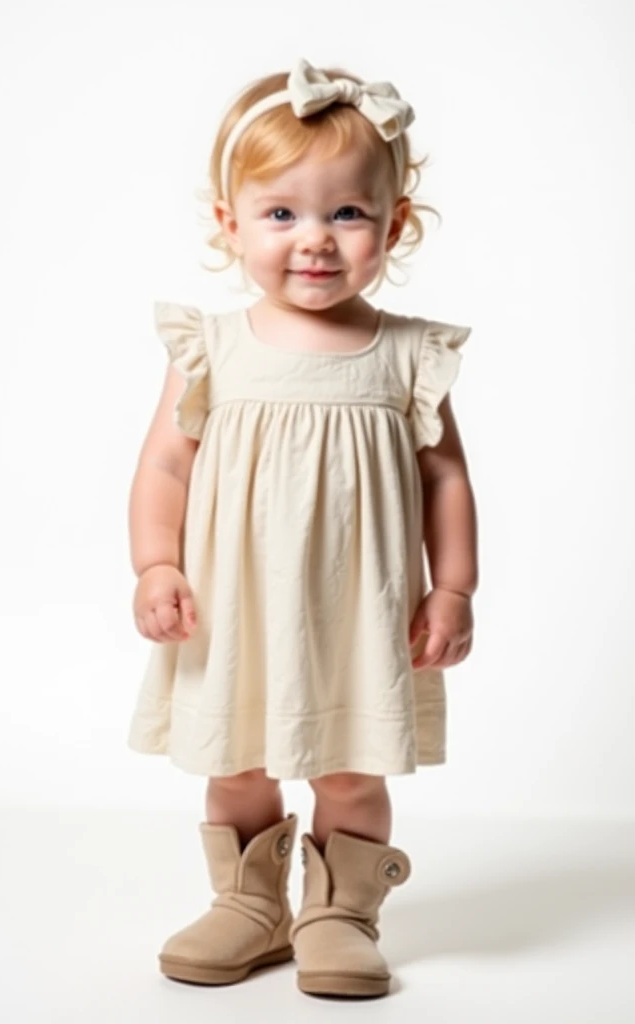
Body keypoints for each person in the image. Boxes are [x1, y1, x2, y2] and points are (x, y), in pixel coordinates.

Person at [127, 56, 478, 999]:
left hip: (360, 610)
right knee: (237, 760)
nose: (314, 241)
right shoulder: (215, 346)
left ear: (393, 224)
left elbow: (444, 474)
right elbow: (165, 463)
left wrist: (452, 587)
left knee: (352, 770)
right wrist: (155, 563)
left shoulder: (406, 353)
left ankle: (339, 912)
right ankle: (248, 904)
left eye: (346, 214)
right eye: (281, 214)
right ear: (228, 222)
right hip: (232, 605)